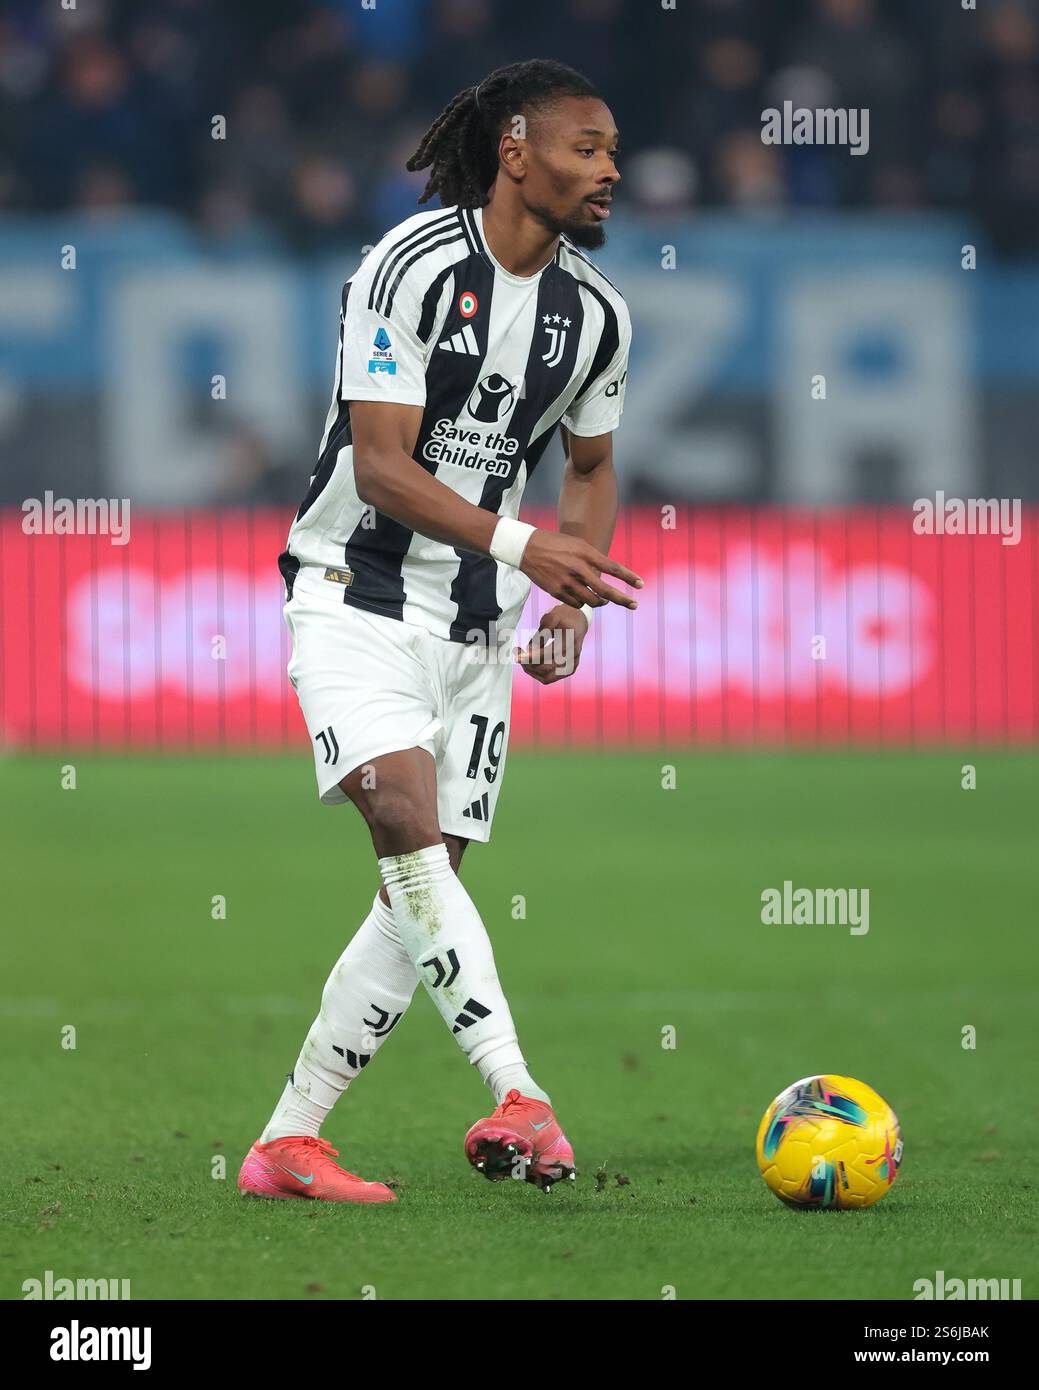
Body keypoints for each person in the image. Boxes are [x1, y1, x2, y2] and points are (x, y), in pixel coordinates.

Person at [238, 59, 640, 1204]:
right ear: (515, 149)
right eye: (586, 147)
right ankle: (520, 1091)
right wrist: (526, 548)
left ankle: (286, 1142)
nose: (610, 169)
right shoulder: (407, 266)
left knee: (423, 888)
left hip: (476, 631)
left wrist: (563, 597)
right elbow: (379, 466)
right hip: (351, 599)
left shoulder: (597, 317)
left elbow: (594, 467)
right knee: (408, 830)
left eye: (614, 151)